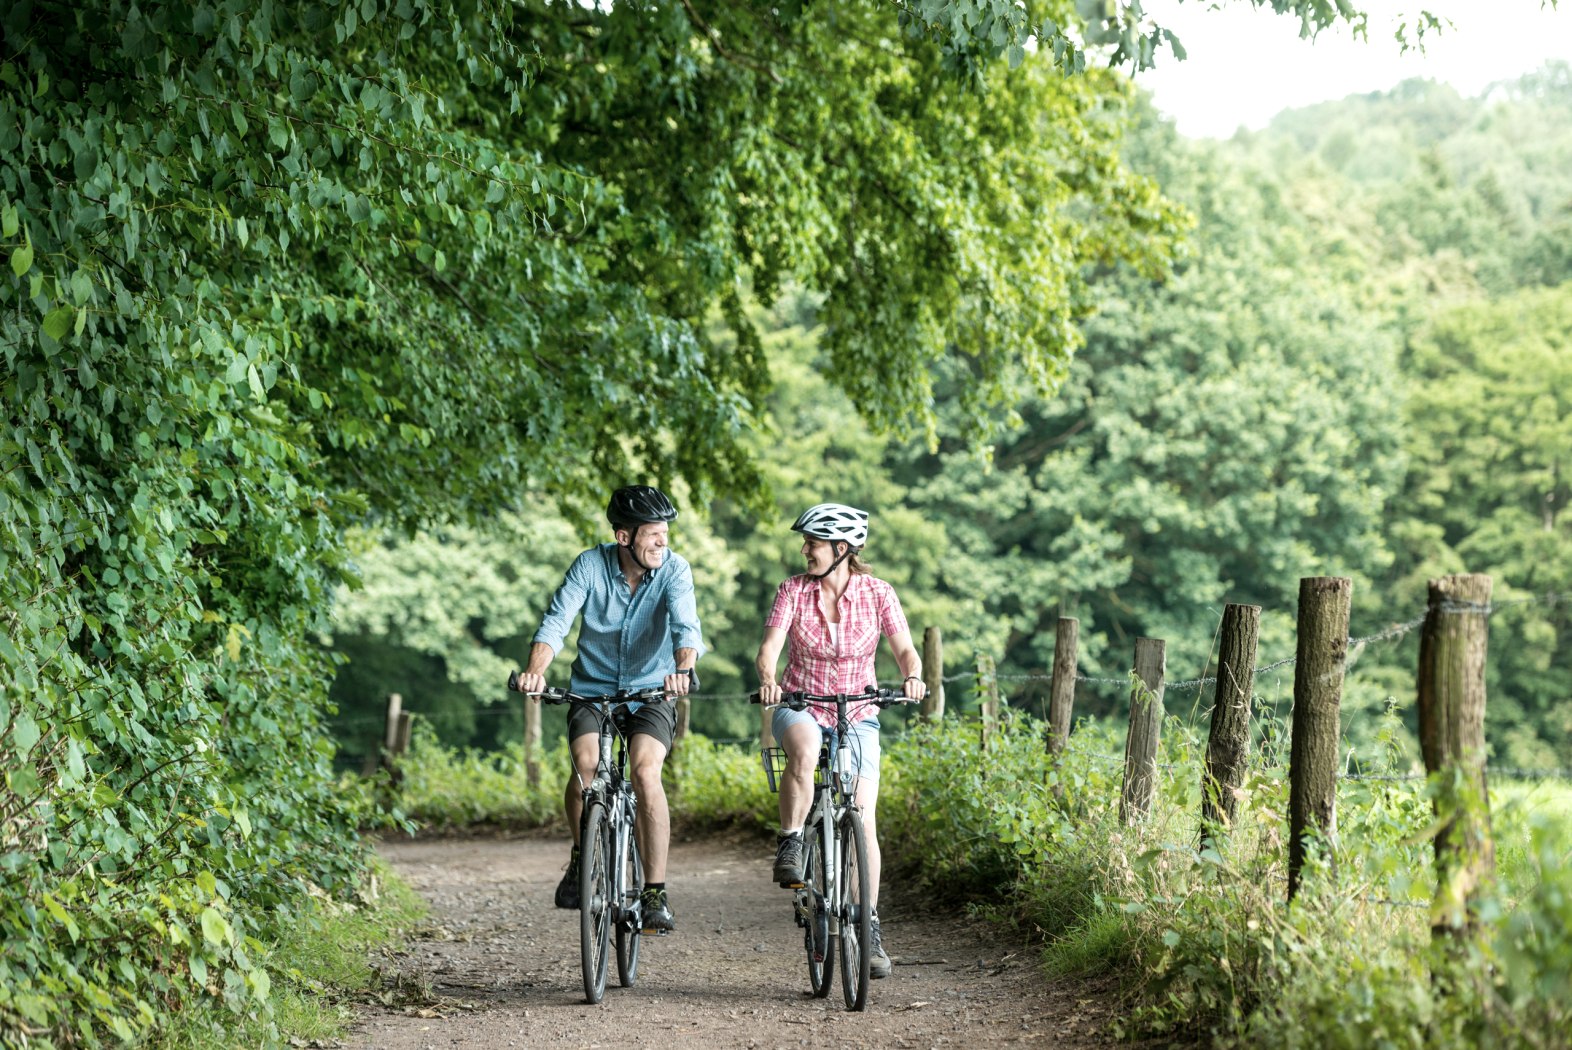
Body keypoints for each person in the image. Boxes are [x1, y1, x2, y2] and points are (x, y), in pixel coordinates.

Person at [511, 485, 702, 933]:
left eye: (665, 534)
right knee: (586, 768)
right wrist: (535, 671)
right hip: (592, 690)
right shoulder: (589, 565)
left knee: (645, 772)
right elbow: (556, 622)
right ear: (623, 537)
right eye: (652, 534)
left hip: (653, 692)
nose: (662, 542)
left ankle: (654, 889)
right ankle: (582, 854)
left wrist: (682, 670)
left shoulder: (675, 570)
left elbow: (686, 627)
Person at [753, 502, 923, 979]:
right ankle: (790, 842)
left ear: (842, 549)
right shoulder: (792, 591)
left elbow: (905, 648)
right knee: (805, 750)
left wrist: (913, 676)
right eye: (805, 542)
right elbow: (769, 651)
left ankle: (868, 925)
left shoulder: (878, 593)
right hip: (802, 704)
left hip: (859, 713)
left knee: (863, 819)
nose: (805, 550)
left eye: (814, 543)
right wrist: (769, 679)